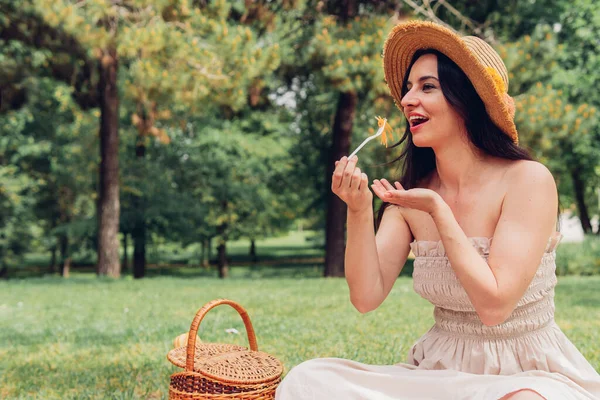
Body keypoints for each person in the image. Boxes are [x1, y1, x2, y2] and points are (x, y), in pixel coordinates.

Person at [275, 21, 600, 400]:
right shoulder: (411, 194)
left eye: (427, 87)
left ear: (468, 101)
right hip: (439, 373)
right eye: (408, 88)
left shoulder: (528, 180)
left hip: (527, 373)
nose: (408, 99)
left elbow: (494, 306)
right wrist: (360, 211)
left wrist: (439, 212)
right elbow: (365, 297)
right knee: (308, 378)